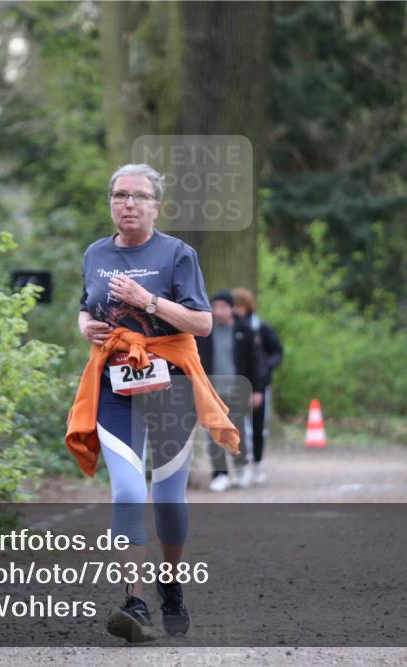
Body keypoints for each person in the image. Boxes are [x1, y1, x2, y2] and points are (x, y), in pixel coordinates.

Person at [66, 163, 240, 643]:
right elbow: (88, 305)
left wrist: (147, 301)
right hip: (115, 387)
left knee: (167, 499)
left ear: (156, 205)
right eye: (119, 195)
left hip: (172, 386)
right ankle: (134, 601)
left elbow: (202, 325)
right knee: (126, 491)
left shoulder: (177, 254)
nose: (128, 203)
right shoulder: (96, 254)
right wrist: (86, 326)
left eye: (139, 196)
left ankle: (170, 582)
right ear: (110, 203)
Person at [195, 290, 266, 491]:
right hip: (212, 390)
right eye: (214, 307)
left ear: (231, 308)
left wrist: (257, 389)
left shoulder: (245, 331)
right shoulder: (204, 331)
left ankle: (241, 468)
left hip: (238, 388)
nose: (218, 311)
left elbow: (256, 363)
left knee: (238, 430)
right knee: (213, 432)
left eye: (222, 307)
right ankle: (220, 473)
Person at [232, 287, 283, 485]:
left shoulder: (262, 327)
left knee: (258, 427)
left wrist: (266, 368)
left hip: (259, 384)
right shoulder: (230, 330)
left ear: (246, 307)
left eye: (238, 307)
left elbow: (277, 352)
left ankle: (258, 463)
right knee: (239, 428)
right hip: (237, 385)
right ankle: (241, 466)